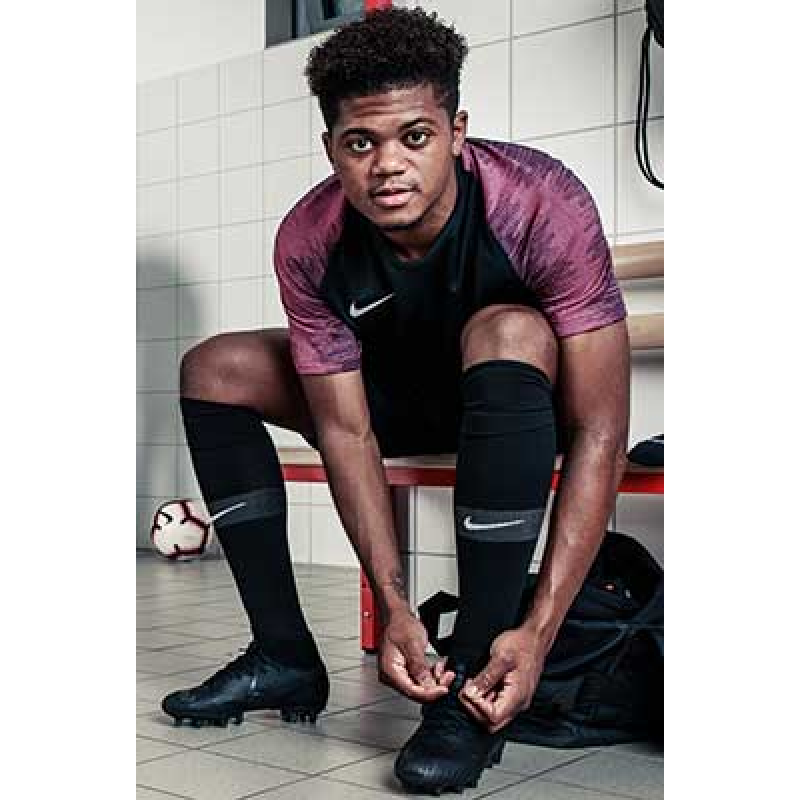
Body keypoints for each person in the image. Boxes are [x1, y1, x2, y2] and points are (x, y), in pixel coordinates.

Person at [160, 7, 630, 795]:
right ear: (331, 150)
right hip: (392, 405)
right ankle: (283, 654)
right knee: (215, 366)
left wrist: (540, 631)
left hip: (512, 403)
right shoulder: (309, 238)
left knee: (509, 327)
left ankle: (473, 683)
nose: (387, 166)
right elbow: (345, 431)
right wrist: (394, 606)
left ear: (456, 132)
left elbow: (600, 429)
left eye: (414, 136)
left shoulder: (538, 202)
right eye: (360, 143)